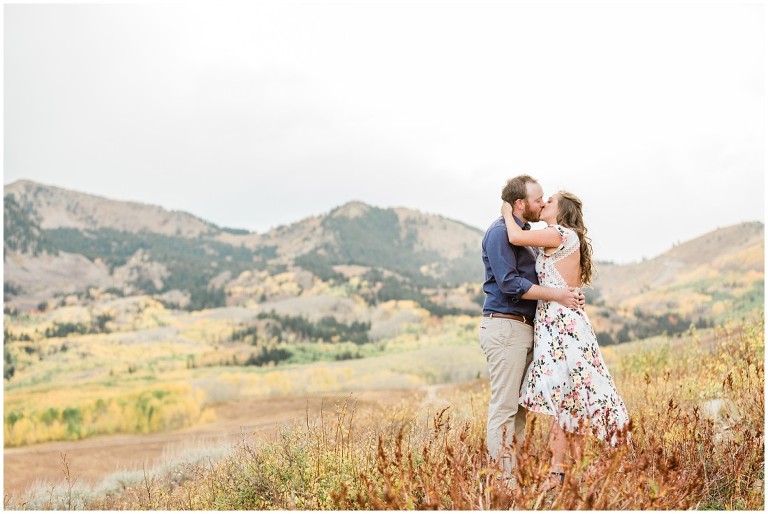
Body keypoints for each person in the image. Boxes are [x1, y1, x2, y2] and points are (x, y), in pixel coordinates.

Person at [501, 190, 630, 487]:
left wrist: (507, 211)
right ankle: (565, 471)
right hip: (561, 322)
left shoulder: (557, 233)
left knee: (565, 397)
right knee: (568, 398)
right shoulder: (565, 236)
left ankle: (560, 473)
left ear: (561, 211)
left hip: (561, 325)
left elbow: (516, 238)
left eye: (551, 201)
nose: (544, 203)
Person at [480, 175, 584, 479]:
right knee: (504, 409)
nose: (541, 203)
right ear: (520, 204)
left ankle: (516, 476)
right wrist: (559, 295)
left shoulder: (527, 234)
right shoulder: (501, 233)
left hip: (529, 330)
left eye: (545, 199)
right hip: (506, 329)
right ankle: (504, 482)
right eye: (538, 199)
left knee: (520, 409)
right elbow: (510, 284)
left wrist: (569, 290)